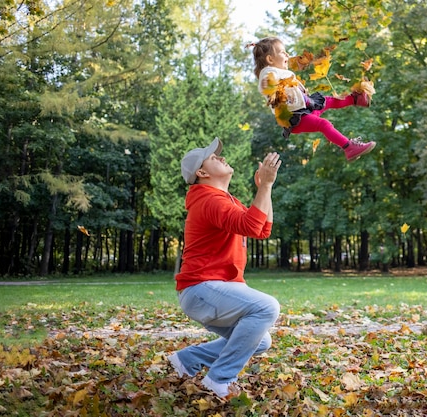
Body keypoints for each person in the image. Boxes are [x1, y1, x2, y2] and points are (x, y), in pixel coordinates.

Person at [167, 137, 281, 400]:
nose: (220, 157)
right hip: (201, 289)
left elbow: (262, 229)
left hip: (212, 290)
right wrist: (264, 187)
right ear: (202, 172)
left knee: (261, 341)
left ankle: (187, 359)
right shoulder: (208, 199)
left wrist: (266, 188)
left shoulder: (224, 199)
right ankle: (220, 379)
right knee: (267, 307)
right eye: (212, 157)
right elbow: (253, 226)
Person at [250, 36, 376, 162]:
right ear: (270, 59)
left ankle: (355, 99)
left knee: (328, 101)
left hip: (306, 108)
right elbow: (265, 85)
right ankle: (349, 147)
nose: (287, 55)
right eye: (283, 52)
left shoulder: (281, 72)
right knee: (324, 124)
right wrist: (269, 86)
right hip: (296, 118)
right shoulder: (268, 72)